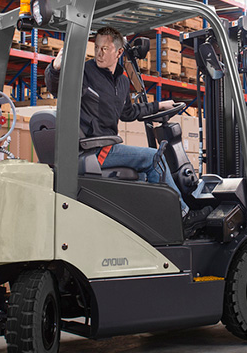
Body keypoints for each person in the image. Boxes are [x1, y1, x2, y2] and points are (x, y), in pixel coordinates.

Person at [44, 26, 211, 235]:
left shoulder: (122, 81)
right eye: (97, 48)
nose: (99, 53)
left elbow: (129, 112)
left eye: (105, 49)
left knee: (144, 175)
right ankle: (183, 215)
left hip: (107, 146)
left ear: (119, 52)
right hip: (93, 148)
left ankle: (154, 224)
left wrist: (159, 106)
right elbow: (55, 86)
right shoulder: (84, 73)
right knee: (154, 158)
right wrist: (56, 68)